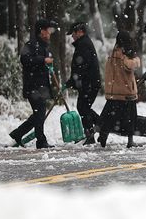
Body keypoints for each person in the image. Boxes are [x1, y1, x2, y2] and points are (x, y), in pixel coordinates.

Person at [9, 19, 58, 149]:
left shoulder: (43, 46)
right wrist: (43, 60)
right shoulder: (31, 44)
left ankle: (18, 133)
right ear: (41, 31)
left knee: (38, 114)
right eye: (48, 30)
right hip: (33, 86)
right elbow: (25, 60)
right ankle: (41, 141)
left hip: (40, 86)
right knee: (40, 113)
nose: (50, 33)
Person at [97, 31, 141, 148]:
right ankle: (130, 141)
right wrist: (136, 59)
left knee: (110, 117)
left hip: (114, 92)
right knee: (130, 118)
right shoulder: (125, 53)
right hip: (126, 92)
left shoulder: (113, 53)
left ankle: (104, 133)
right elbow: (130, 65)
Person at [65, 21, 101, 145]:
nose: (72, 36)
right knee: (84, 107)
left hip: (89, 83)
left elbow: (82, 66)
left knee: (83, 107)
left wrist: (72, 80)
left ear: (80, 32)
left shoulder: (84, 45)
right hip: (89, 82)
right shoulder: (83, 43)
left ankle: (95, 130)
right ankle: (99, 125)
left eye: (73, 33)